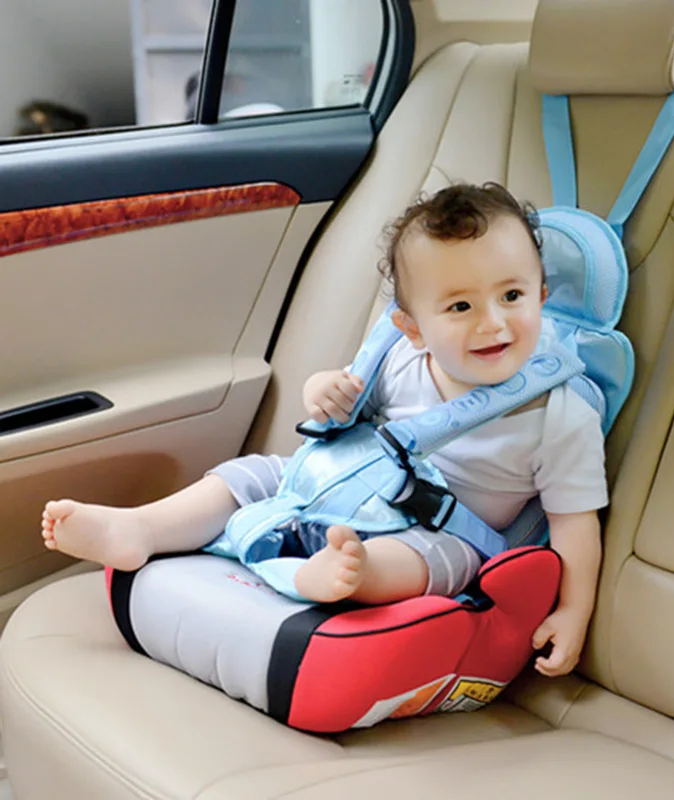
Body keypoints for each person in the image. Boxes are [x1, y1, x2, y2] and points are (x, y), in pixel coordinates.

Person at [41, 183, 607, 678]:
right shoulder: (401, 360)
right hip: (343, 487)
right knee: (256, 473)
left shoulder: (560, 416)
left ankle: (348, 576)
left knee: (434, 563)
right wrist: (323, 390)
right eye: (460, 306)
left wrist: (573, 612)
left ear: (541, 297)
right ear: (412, 328)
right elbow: (345, 410)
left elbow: (575, 525)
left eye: (512, 296)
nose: (493, 322)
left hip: (441, 529)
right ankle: (141, 527)